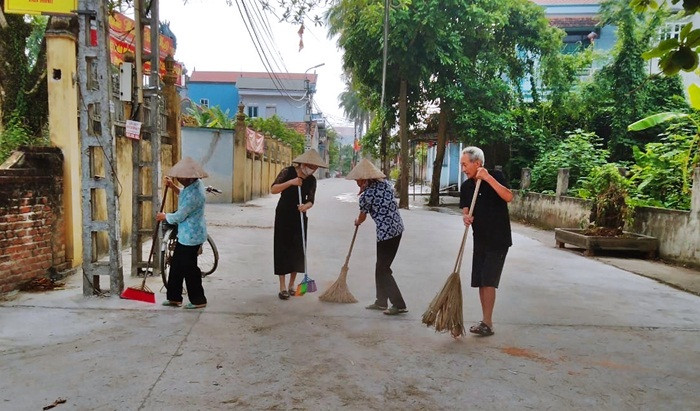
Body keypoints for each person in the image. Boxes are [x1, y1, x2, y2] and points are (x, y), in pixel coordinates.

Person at [459, 146, 513, 336]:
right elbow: (465, 208)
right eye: (462, 165)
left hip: (498, 239)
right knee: (481, 280)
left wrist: (488, 178)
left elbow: (508, 196)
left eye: (465, 165)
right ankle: (485, 321)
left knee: (489, 280)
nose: (463, 169)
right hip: (480, 238)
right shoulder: (466, 186)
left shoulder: (496, 176)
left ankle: (487, 323)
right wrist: (466, 217)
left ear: (478, 163)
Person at [347, 159, 407, 316]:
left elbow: (362, 218)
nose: (356, 183)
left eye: (358, 180)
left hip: (387, 234)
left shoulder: (366, 196)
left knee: (383, 269)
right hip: (397, 228)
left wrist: (356, 221)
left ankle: (399, 304)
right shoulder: (385, 184)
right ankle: (381, 301)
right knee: (380, 267)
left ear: (365, 179)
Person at [270, 149, 328, 300]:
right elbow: (273, 189)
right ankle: (282, 286)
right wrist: (291, 182)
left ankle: (292, 285)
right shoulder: (288, 171)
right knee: (282, 249)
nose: (312, 169)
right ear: (303, 163)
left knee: (297, 249)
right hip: (283, 215)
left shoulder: (312, 180)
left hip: (300, 217)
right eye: (310, 166)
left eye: (315, 167)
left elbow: (311, 200)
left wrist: (306, 206)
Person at [156, 157, 209, 309]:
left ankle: (199, 300)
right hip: (186, 235)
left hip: (191, 236)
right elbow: (183, 194)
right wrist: (173, 187)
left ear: (190, 177)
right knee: (177, 265)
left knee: (189, 269)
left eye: (180, 178)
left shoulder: (195, 194)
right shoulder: (193, 186)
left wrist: (164, 216)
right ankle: (174, 297)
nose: (179, 179)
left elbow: (180, 215)